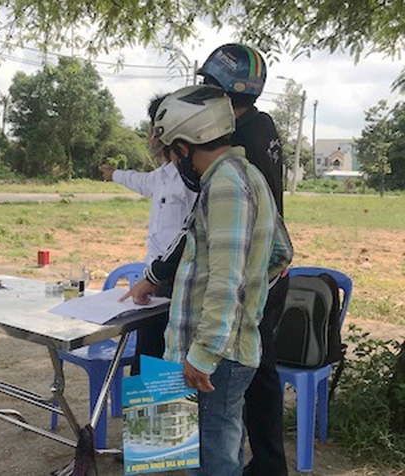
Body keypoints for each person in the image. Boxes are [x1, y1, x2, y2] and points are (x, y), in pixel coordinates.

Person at [122, 84, 293, 475]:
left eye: (173, 151)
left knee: (213, 460)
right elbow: (280, 252)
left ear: (184, 146)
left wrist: (205, 352)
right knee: (210, 450)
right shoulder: (245, 175)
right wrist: (250, 297)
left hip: (218, 357)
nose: (176, 161)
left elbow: (226, 280)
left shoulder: (225, 185)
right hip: (219, 347)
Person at [198, 43, 288, 476]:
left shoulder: (237, 138)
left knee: (251, 370)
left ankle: (265, 465)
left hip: (252, 268)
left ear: (221, 88)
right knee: (262, 367)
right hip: (269, 263)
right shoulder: (262, 124)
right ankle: (269, 463)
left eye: (207, 85)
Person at [99, 94, 197, 374]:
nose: (149, 136)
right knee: (147, 358)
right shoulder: (164, 175)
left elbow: (190, 234)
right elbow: (140, 181)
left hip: (176, 282)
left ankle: (157, 415)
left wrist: (156, 276)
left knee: (165, 362)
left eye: (152, 128)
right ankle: (143, 417)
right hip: (155, 280)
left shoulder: (190, 179)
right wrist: (114, 174)